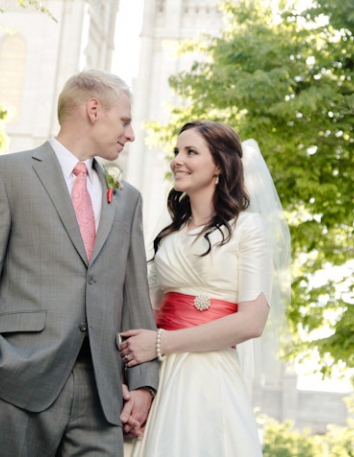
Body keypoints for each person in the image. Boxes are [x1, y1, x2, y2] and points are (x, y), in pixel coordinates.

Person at [0, 69, 160, 456]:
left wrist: (144, 384)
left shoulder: (126, 196)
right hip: (15, 379)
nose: (130, 134)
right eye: (125, 121)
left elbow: (134, 296)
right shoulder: (6, 174)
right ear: (93, 109)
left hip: (101, 393)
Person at [119, 121, 290, 457]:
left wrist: (161, 342)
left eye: (191, 152)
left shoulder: (248, 229)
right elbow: (146, 311)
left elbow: (251, 323)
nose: (177, 160)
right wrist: (136, 382)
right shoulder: (169, 237)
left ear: (218, 166)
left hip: (210, 375)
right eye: (176, 152)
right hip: (160, 374)